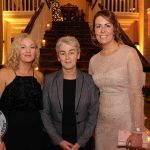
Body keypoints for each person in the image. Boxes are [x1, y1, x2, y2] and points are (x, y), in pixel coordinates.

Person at [89, 10, 145, 150]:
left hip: (126, 125)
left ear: (115, 28)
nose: (102, 30)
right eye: (98, 26)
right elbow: (93, 96)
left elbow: (136, 95)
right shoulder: (93, 60)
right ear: (94, 30)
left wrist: (137, 130)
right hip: (102, 125)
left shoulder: (129, 54)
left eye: (107, 25)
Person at [41, 36, 99, 150]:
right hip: (55, 142)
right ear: (58, 57)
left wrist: (80, 143)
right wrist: (59, 141)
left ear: (78, 55)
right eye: (62, 53)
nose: (67, 57)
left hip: (82, 142)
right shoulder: (49, 80)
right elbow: (44, 113)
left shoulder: (89, 81)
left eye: (71, 52)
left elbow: (93, 115)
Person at [0, 33, 49, 150]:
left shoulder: (39, 76)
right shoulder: (4, 74)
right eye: (23, 47)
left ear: (36, 51)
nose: (28, 51)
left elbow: (41, 109)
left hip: (36, 135)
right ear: (16, 51)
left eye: (32, 47)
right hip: (10, 135)